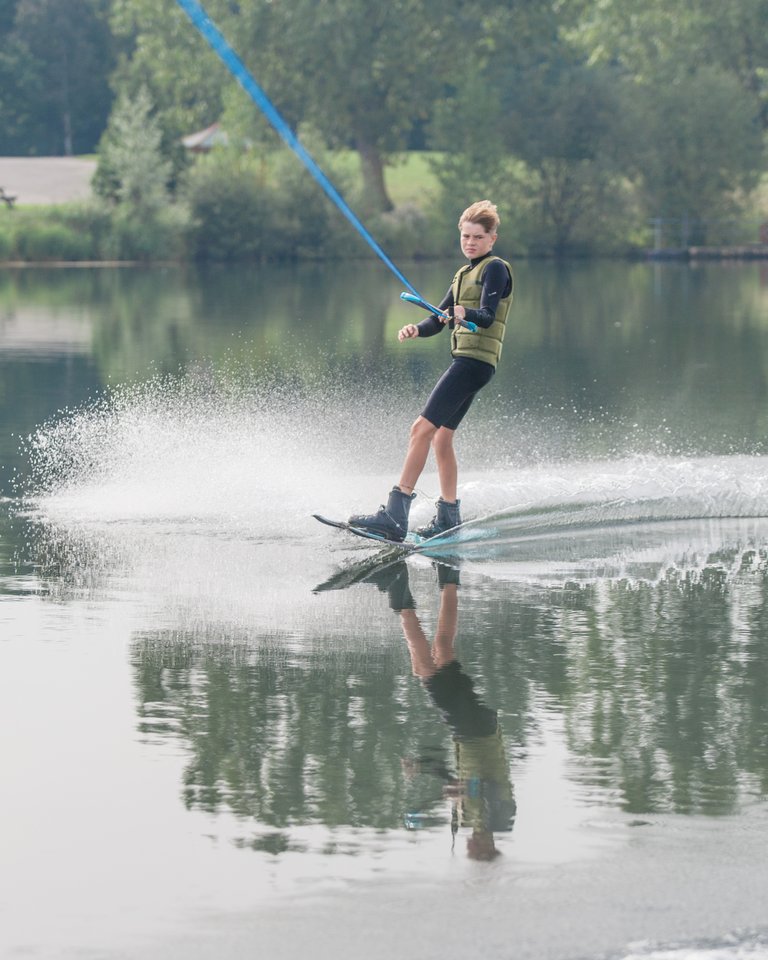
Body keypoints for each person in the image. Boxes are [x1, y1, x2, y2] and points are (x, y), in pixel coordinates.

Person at [349, 200, 514, 541]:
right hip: (471, 364)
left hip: (474, 363)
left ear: (492, 239)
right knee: (441, 437)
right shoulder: (461, 274)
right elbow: (437, 320)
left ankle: (395, 514)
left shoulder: (496, 269)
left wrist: (461, 311)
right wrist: (416, 329)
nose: (470, 242)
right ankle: (448, 517)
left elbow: (486, 316)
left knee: (420, 429)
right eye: (465, 236)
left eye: (478, 237)